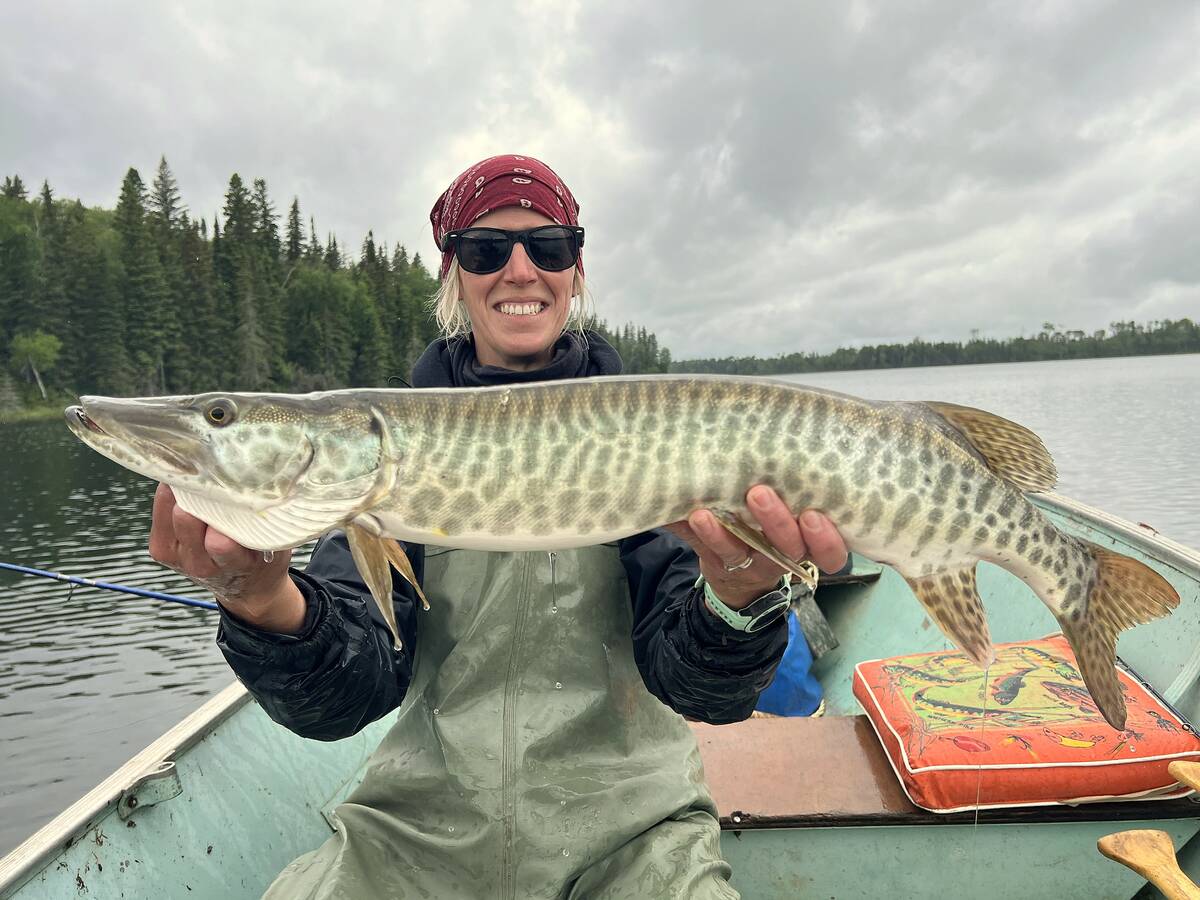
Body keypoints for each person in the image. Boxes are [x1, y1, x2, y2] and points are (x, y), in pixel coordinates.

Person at [148, 154, 847, 899]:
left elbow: (702, 693)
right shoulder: (381, 456)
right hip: (417, 834)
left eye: (549, 248)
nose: (520, 270)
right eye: (486, 250)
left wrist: (738, 595)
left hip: (633, 833)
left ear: (575, 271)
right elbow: (347, 700)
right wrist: (259, 599)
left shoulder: (650, 444)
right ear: (454, 272)